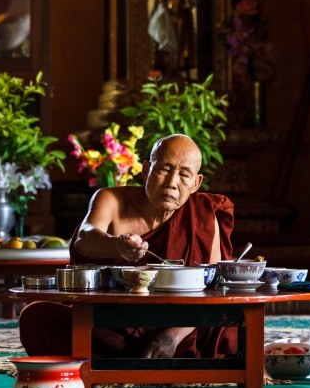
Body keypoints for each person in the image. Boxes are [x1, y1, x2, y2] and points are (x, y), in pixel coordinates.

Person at [19, 134, 236, 359]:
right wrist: (117, 246)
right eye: (164, 170)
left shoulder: (203, 214)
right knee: (36, 317)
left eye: (183, 175)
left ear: (196, 184)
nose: (172, 182)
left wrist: (171, 336)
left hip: (177, 323)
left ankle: (128, 362)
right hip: (110, 324)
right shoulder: (111, 199)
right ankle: (140, 364)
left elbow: (210, 288)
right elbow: (85, 237)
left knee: (232, 320)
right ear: (145, 170)